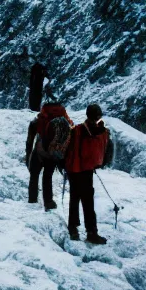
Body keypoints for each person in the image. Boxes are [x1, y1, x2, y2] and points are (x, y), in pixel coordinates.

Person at [64, 104, 110, 244]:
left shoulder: (76, 130)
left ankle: (73, 229)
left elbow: (67, 148)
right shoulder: (101, 131)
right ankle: (91, 233)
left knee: (74, 198)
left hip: (74, 169)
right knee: (88, 202)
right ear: (98, 116)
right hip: (87, 170)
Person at [27, 102, 71, 210]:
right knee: (47, 176)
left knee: (34, 175)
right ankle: (48, 202)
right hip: (53, 154)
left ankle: (32, 200)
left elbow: (30, 140)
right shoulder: (64, 122)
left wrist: (28, 154)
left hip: (39, 151)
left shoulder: (38, 122)